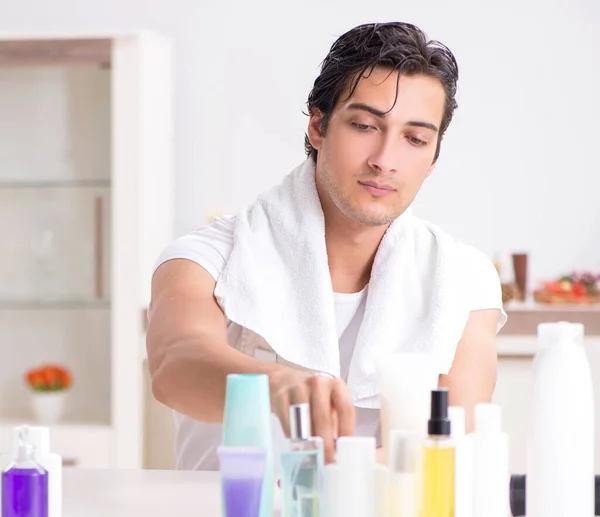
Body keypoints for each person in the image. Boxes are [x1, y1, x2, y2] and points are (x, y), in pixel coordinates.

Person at [146, 21, 506, 471]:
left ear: (433, 159)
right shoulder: (206, 259)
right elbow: (175, 366)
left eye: (414, 139)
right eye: (364, 125)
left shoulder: (464, 279)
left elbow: (454, 434)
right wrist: (275, 386)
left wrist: (340, 477)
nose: (385, 160)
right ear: (318, 127)